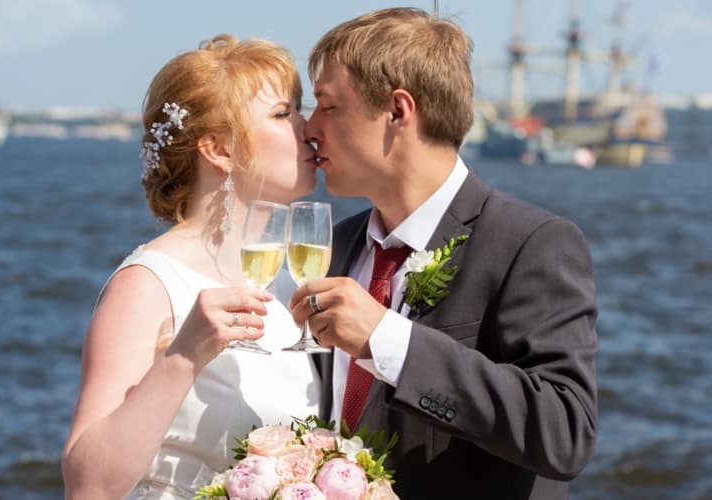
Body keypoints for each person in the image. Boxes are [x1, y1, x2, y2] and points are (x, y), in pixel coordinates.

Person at [290, 8, 598, 499]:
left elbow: (564, 432)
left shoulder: (531, 242)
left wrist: (388, 341)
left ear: (398, 110)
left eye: (327, 106)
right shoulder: (337, 245)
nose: (308, 126)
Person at [62, 35, 321, 499]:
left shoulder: (288, 281)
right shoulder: (147, 285)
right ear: (218, 149)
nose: (311, 128)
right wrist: (183, 357)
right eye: (284, 114)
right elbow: (87, 485)